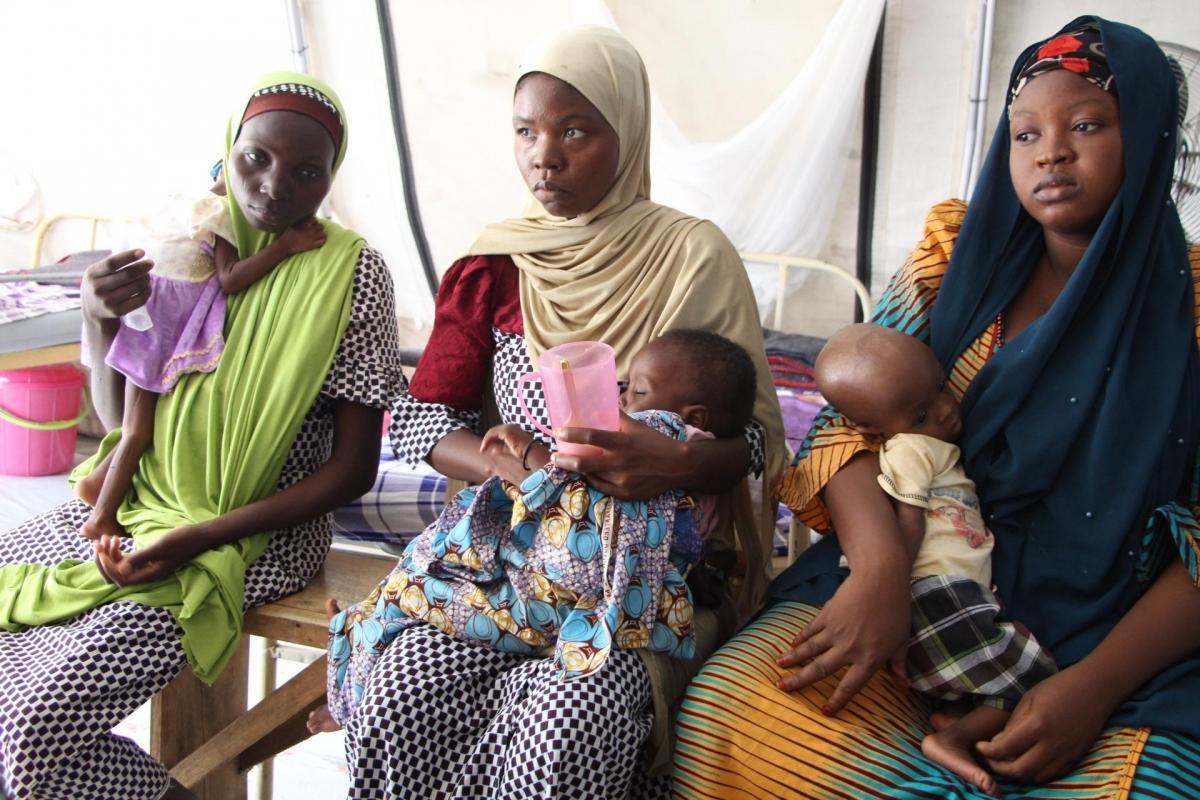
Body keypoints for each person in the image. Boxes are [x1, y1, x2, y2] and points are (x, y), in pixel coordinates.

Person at [673, 17, 1200, 799]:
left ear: (1153, 136)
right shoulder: (955, 260)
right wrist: (881, 574)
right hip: (914, 580)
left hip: (1109, 633)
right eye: (1025, 134)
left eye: (1086, 124)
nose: (1050, 151)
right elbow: (842, 419)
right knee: (732, 716)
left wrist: (1086, 691)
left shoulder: (1192, 310)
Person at [346, 25, 785, 800]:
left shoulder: (690, 255)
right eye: (526, 131)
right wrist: (529, 469)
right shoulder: (494, 265)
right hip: (509, 562)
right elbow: (420, 421)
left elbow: (749, 440)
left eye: (576, 130)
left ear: (629, 131)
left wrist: (674, 463)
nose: (544, 155)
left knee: (570, 719)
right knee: (398, 690)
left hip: (647, 576)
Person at [0, 72, 403, 800]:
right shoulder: (185, 252)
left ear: (330, 180)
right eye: (256, 158)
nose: (275, 186)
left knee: (35, 744)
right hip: (138, 502)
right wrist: (98, 321)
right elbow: (125, 425)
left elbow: (349, 472)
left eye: (307, 171)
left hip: (253, 537)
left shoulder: (351, 275)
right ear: (226, 153)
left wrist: (195, 538)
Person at [309, 330, 757, 734]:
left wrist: (529, 461)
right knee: (417, 586)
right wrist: (518, 461)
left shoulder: (665, 436)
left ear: (693, 414)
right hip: (592, 591)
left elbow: (587, 507)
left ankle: (350, 685)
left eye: (636, 391)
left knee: (411, 587)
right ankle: (357, 655)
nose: (620, 401)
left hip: (568, 600)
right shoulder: (684, 451)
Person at [814, 323, 1057, 795]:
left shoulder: (925, 440)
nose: (946, 410)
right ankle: (952, 739)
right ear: (869, 428)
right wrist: (891, 594)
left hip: (954, 592)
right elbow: (909, 523)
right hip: (935, 592)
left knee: (1006, 669)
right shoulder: (911, 449)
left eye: (942, 387)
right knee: (1036, 676)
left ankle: (956, 715)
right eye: (923, 411)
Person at [74, 166, 328, 543]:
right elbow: (229, 276)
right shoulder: (222, 210)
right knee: (137, 430)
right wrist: (286, 246)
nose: (269, 189)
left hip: (150, 314)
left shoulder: (190, 204)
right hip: (163, 327)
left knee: (146, 422)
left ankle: (98, 481)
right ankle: (101, 516)